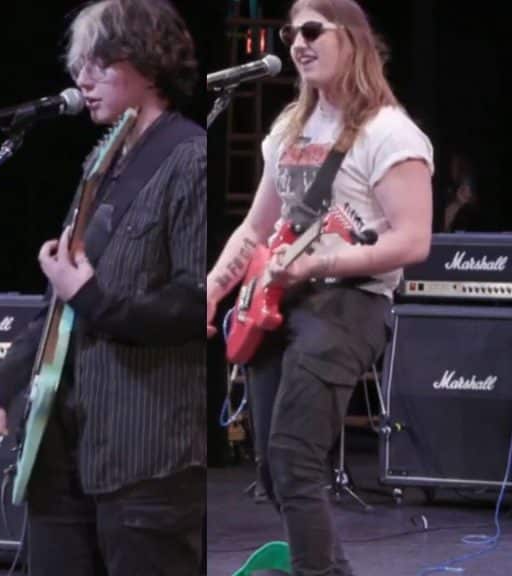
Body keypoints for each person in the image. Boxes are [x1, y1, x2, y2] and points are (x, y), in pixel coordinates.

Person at [0, 1, 207, 574]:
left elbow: (194, 302)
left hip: (143, 450)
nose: (82, 80)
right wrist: (1, 383)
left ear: (147, 67)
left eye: (99, 64)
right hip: (62, 444)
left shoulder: (191, 157)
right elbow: (63, 298)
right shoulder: (101, 163)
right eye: (80, 65)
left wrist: (91, 297)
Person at [206, 1, 433, 574]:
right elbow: (257, 226)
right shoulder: (289, 127)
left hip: (349, 303)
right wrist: (212, 287)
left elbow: (413, 241)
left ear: (352, 40)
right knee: (271, 469)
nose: (297, 43)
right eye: (290, 33)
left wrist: (319, 264)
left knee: (294, 460)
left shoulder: (390, 132)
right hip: (278, 300)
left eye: (311, 31)